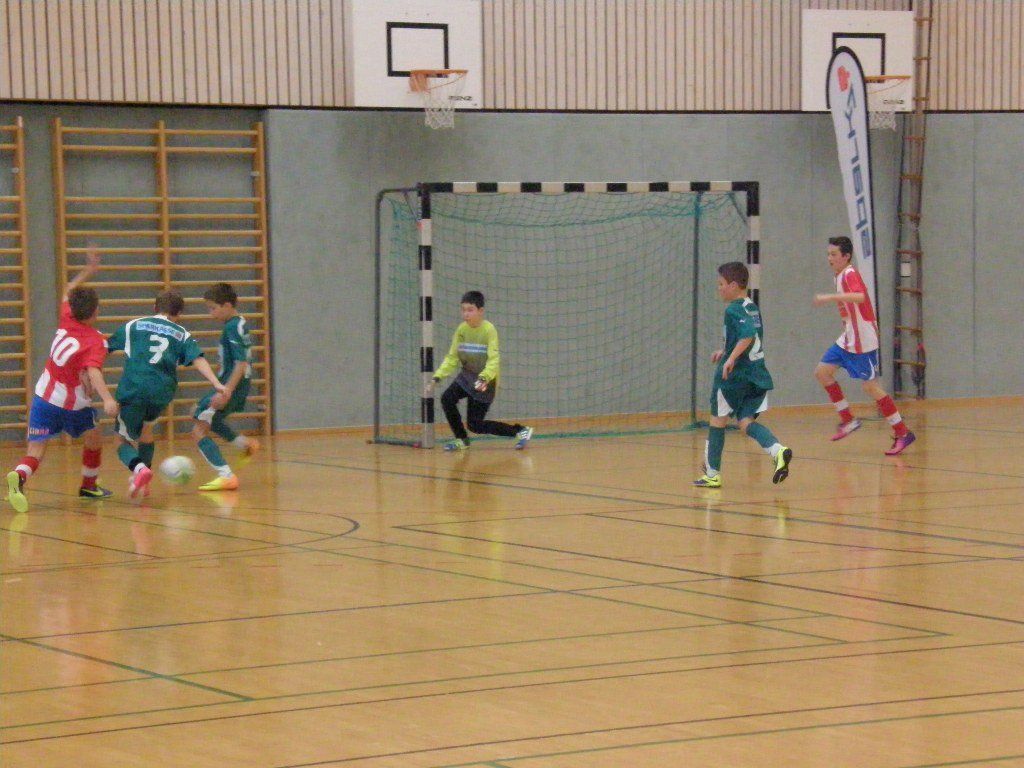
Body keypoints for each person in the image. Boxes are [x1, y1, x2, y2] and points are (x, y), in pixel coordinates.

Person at [5, 249, 119, 512]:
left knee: (35, 450)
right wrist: (107, 399)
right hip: (72, 405)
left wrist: (87, 271)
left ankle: (19, 475)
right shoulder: (94, 341)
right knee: (93, 438)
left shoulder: (67, 316)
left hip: (44, 397)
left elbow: (68, 289)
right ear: (96, 311)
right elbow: (93, 371)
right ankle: (89, 485)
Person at [107, 290, 227, 498]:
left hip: (135, 388)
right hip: (162, 392)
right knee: (146, 431)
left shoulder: (134, 325)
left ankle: (140, 470)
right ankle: (144, 482)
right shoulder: (181, 333)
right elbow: (198, 359)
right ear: (178, 313)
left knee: (120, 440)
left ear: (155, 308)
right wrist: (216, 383)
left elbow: (105, 347)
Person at [813, 236, 915, 455]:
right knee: (822, 372)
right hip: (849, 336)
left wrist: (830, 297)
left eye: (834, 254)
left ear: (846, 256)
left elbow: (859, 296)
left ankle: (903, 432)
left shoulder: (850, 273)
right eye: (828, 254)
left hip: (863, 339)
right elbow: (847, 308)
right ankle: (848, 420)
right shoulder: (838, 276)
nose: (829, 258)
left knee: (870, 387)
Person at [694, 262, 792, 488]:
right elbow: (749, 337)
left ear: (733, 285)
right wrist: (726, 351)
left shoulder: (733, 309)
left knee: (717, 420)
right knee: (745, 421)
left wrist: (730, 358)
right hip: (757, 375)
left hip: (735, 377)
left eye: (721, 284)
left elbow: (747, 335)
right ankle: (777, 450)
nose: (719, 288)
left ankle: (712, 473)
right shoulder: (752, 307)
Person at [432, 290, 533, 451]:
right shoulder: (461, 330)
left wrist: (485, 378)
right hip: (466, 377)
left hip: (485, 381)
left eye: (470, 310)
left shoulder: (489, 330)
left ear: (480, 311)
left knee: (475, 425)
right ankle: (461, 439)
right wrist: (438, 376)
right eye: (463, 309)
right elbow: (452, 357)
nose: (466, 314)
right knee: (447, 398)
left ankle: (520, 431)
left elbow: (494, 360)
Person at [190, 283, 260, 491]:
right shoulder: (237, 324)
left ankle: (226, 476)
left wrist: (226, 390)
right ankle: (245, 445)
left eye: (213, 308)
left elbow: (241, 363)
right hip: (234, 386)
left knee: (198, 430)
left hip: (232, 387)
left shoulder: (232, 328)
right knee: (203, 416)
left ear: (227, 305)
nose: (211, 313)